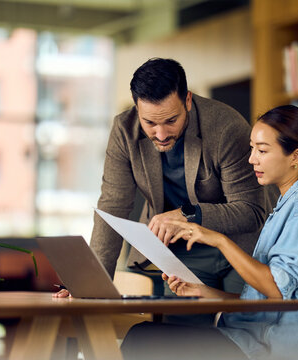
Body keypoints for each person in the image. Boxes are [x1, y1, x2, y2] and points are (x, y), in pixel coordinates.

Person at [54, 58, 276, 325]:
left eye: (171, 120)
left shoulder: (227, 128)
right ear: (137, 110)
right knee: (181, 339)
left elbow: (250, 212)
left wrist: (187, 215)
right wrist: (89, 287)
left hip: (238, 247)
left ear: (188, 101)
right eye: (150, 122)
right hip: (179, 252)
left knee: (240, 334)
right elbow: (112, 207)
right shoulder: (124, 131)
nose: (160, 134)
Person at [121, 104, 298, 360]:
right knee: (145, 335)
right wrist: (207, 293)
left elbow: (279, 291)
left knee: (143, 338)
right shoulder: (289, 205)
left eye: (262, 150)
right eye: (252, 149)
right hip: (249, 339)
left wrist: (219, 240)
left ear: (295, 156)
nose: (252, 159)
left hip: (267, 349)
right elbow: (267, 301)